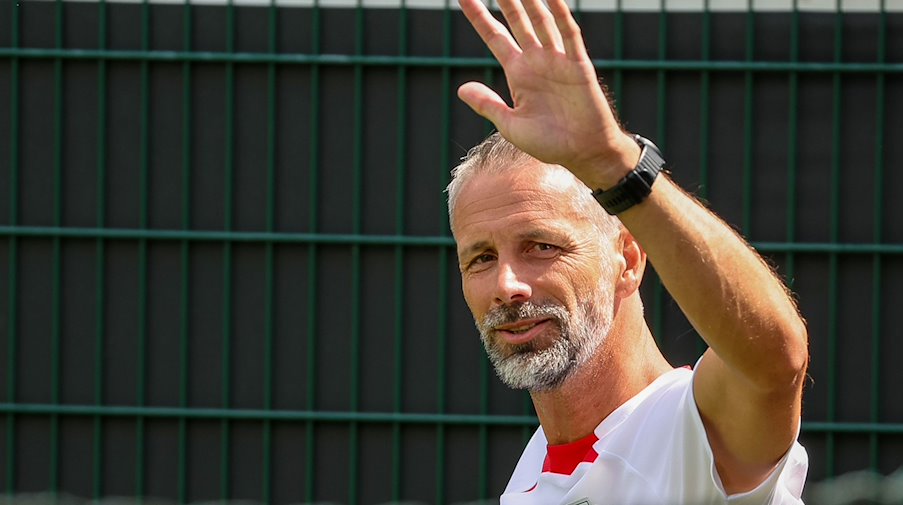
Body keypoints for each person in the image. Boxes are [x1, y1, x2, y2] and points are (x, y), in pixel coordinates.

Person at [446, 0, 810, 502]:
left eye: (541, 245)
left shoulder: (694, 430)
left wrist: (614, 163)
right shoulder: (528, 482)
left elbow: (777, 360)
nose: (507, 284)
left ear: (629, 261)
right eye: (481, 258)